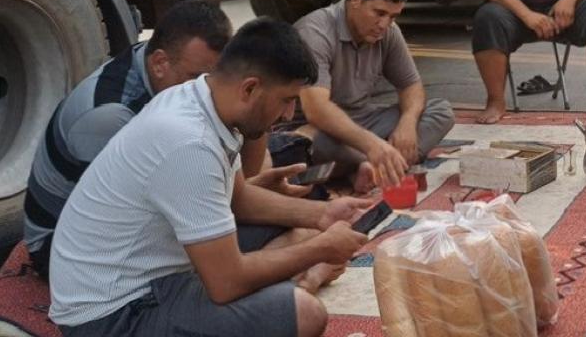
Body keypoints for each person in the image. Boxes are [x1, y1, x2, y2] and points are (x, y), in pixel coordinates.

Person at [48, 18, 372, 337]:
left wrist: (322, 215)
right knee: (305, 313)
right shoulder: (190, 142)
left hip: (150, 274)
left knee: (299, 234)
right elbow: (226, 284)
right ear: (249, 88)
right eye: (286, 100)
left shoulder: (201, 97)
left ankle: (293, 279)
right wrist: (320, 250)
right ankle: (302, 281)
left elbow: (238, 199)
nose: (289, 114)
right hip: (115, 313)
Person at [24, 0, 233, 276]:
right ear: (159, 63)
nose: (207, 90)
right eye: (195, 77)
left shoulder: (154, 66)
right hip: (60, 247)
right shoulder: (109, 116)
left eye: (215, 77)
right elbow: (118, 213)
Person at [287, 0, 454, 191]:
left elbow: (411, 86)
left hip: (362, 120)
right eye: (379, 13)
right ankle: (378, 163)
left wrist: (407, 123)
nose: (384, 25)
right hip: (320, 127)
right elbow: (317, 110)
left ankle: (368, 166)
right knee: (308, 144)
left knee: (440, 111)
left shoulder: (388, 32)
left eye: (393, 17)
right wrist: (373, 145)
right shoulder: (315, 32)